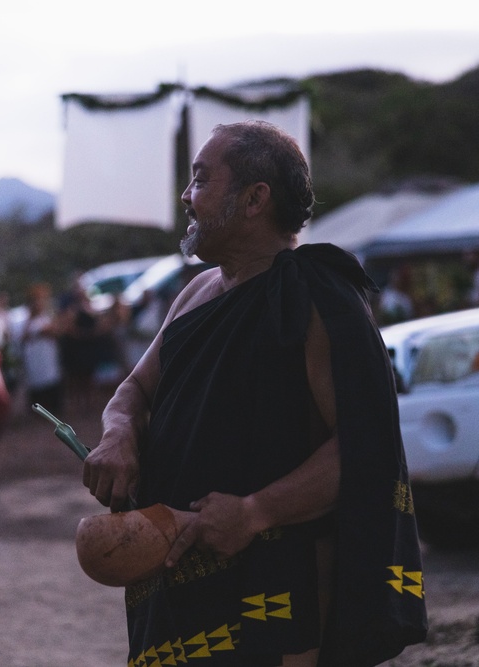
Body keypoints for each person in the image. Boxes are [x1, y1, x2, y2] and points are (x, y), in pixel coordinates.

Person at [82, 121, 427, 667]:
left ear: (254, 199)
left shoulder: (320, 300)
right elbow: (134, 388)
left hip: (278, 592)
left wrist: (253, 512)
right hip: (178, 579)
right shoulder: (196, 292)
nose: (185, 197)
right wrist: (118, 435)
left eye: (200, 180)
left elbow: (366, 448)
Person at [20, 283, 64, 417]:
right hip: (34, 357)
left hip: (48, 355)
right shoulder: (24, 319)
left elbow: (55, 331)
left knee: (51, 380)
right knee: (38, 383)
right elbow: (23, 338)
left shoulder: (48, 315)